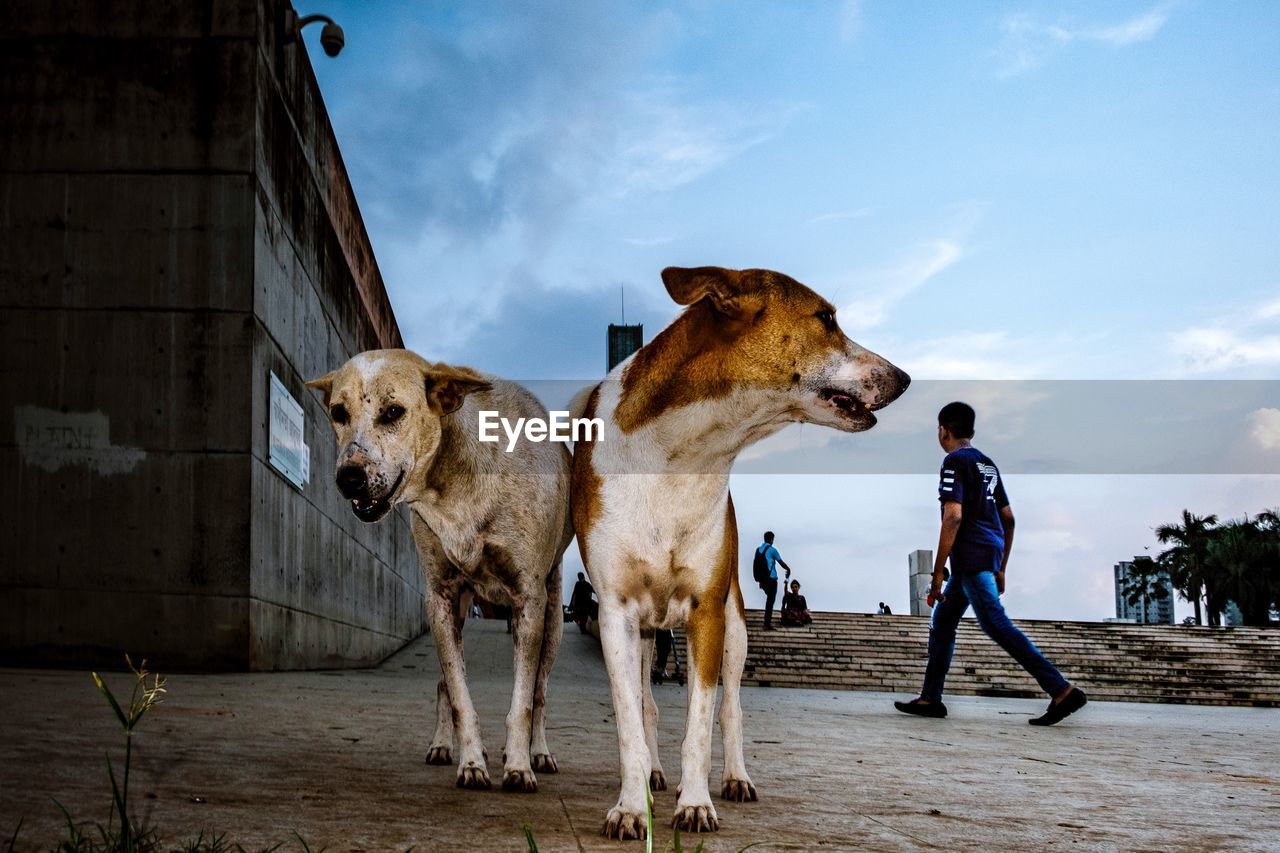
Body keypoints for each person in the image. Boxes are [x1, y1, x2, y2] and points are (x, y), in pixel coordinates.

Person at [894, 402, 1087, 726]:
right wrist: (1002, 567)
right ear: (970, 430)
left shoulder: (953, 461)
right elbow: (1008, 518)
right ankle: (930, 697)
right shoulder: (987, 464)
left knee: (995, 623)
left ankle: (1061, 689)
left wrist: (938, 571)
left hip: (970, 558)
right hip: (987, 556)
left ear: (943, 430)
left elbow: (952, 516)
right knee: (942, 623)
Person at [754, 531, 791, 631]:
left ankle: (767, 622)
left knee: (769, 600)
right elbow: (781, 562)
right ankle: (767, 623)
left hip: (762, 580)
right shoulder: (772, 550)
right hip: (771, 579)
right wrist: (788, 569)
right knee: (771, 600)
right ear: (771, 539)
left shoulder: (758, 550)